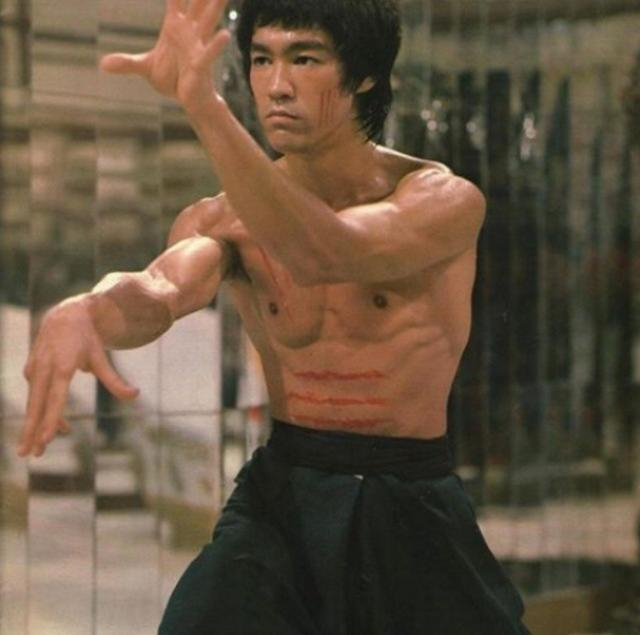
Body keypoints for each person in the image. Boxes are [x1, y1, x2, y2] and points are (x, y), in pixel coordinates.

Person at [18, 0, 531, 632]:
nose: (277, 85)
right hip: (283, 491)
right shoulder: (219, 217)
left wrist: (203, 107)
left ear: (365, 74)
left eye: (304, 59)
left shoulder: (440, 200)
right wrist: (90, 308)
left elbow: (326, 252)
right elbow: (161, 290)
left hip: (406, 491)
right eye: (262, 60)